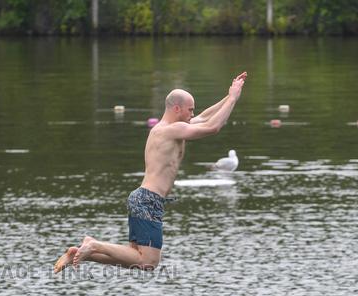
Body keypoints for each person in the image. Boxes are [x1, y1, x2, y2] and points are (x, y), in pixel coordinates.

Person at [54, 72, 247, 272]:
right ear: (177, 108)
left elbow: (205, 117)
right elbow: (213, 126)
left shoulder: (172, 128)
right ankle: (94, 245)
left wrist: (231, 94)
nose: (192, 115)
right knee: (149, 262)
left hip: (144, 199)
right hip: (148, 200)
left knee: (138, 259)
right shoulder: (169, 130)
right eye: (190, 110)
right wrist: (232, 98)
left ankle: (81, 252)